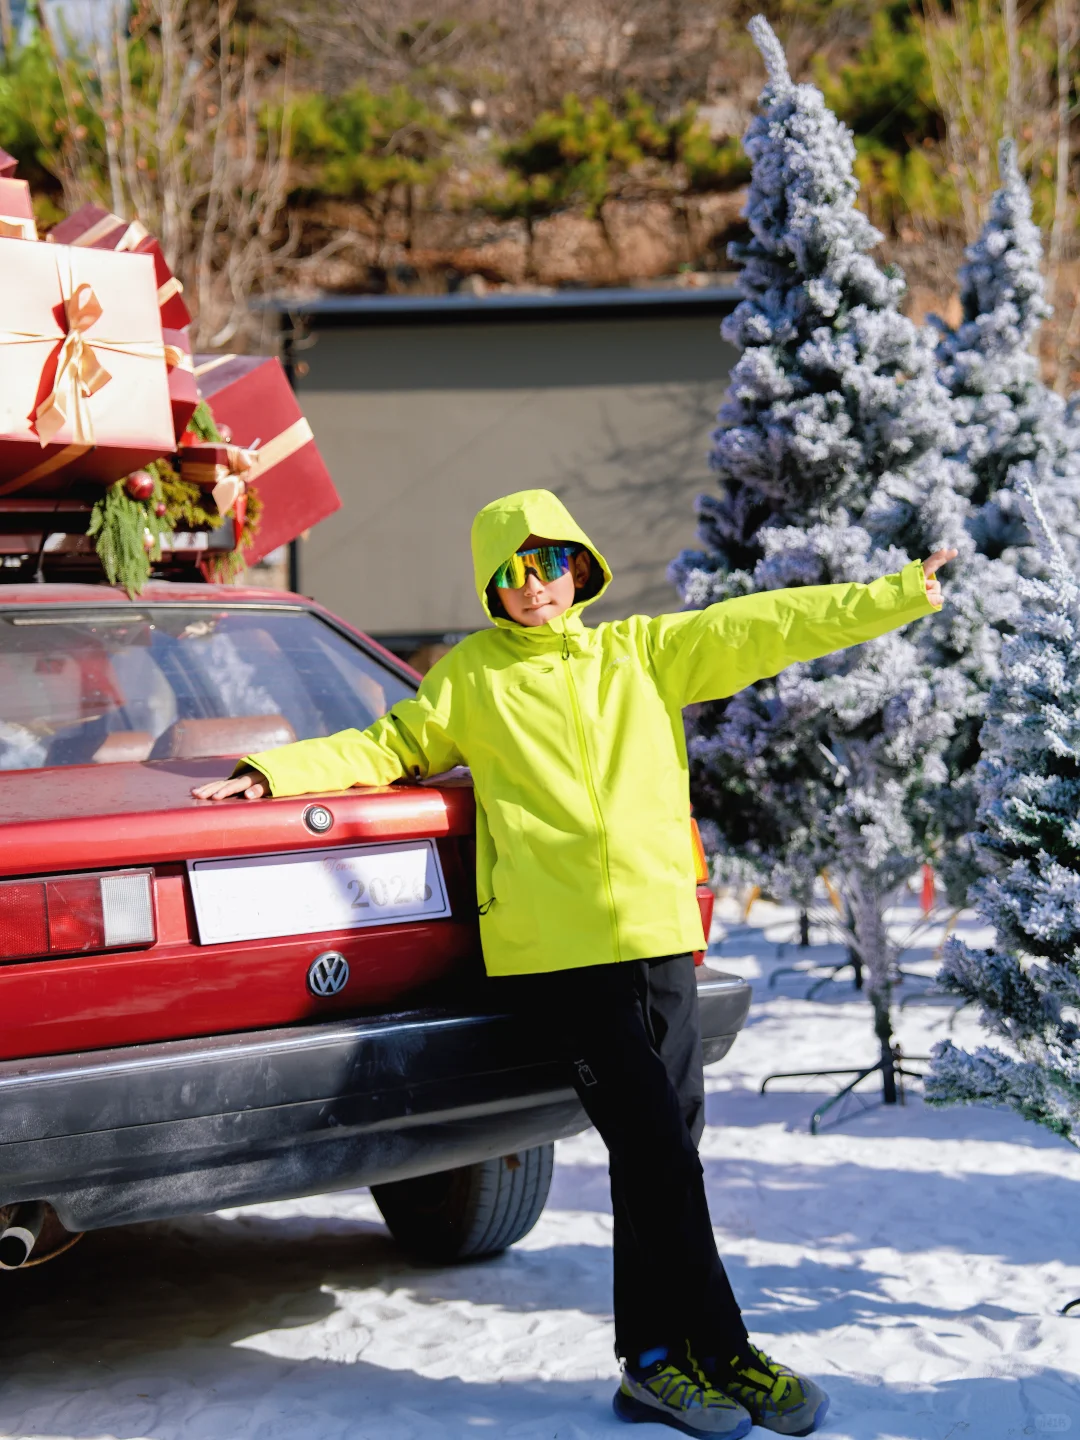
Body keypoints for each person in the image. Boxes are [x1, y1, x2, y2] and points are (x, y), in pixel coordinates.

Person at [194, 489, 956, 1439]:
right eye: (511, 571)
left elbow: (764, 626)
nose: (533, 587)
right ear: (491, 585)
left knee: (663, 1155)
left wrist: (891, 595)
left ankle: (650, 1364)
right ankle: (722, 1351)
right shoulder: (472, 679)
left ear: (579, 568)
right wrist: (275, 773)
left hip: (659, 936)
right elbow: (387, 747)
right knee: (658, 1153)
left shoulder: (638, 653)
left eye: (548, 564)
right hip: (559, 957)